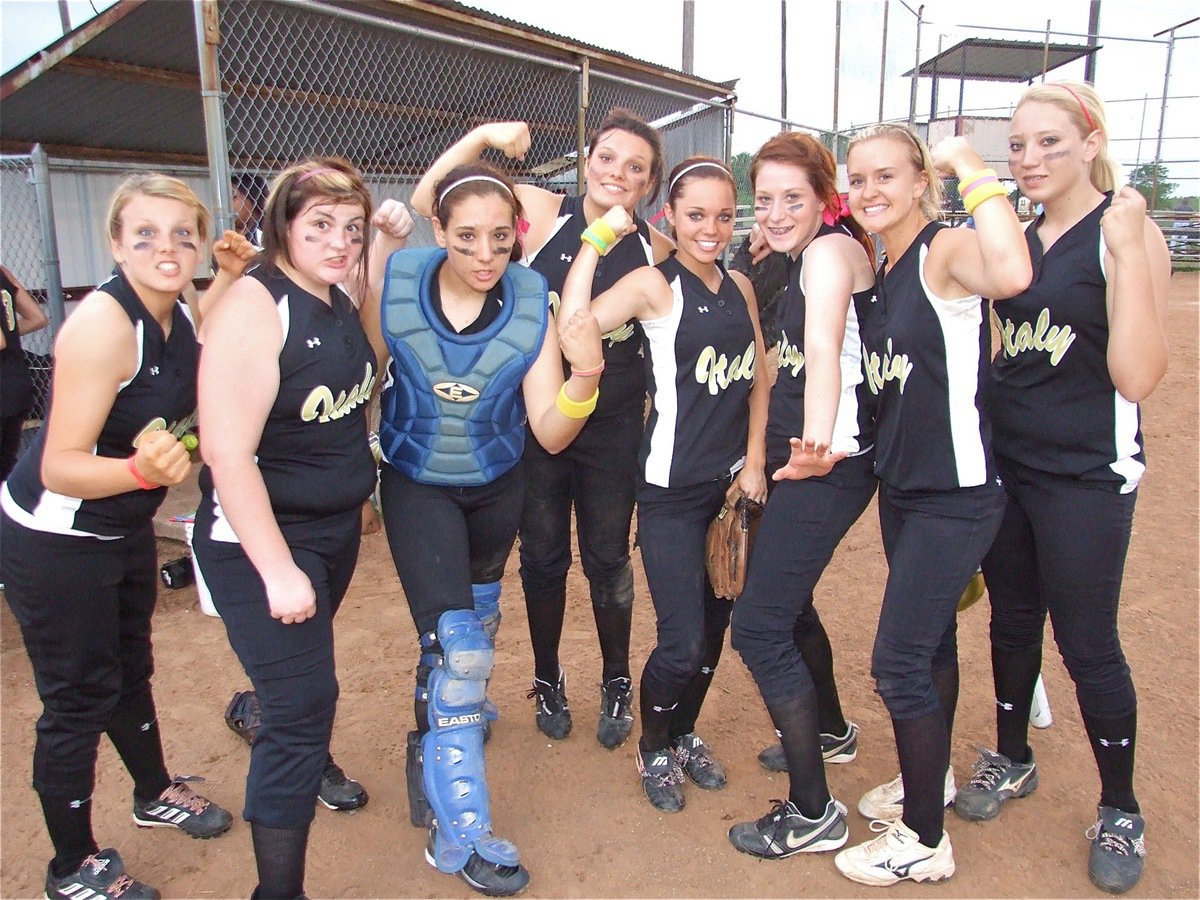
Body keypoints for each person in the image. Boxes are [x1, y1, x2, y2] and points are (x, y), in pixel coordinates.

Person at [364, 162, 604, 897]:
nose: (483, 253)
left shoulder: (530, 300)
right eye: (465, 236)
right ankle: (458, 830)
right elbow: (357, 372)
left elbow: (549, 431)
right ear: (439, 231)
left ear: (516, 238)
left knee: (476, 622)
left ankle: (434, 718)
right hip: (418, 485)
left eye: (500, 237)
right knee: (462, 654)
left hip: (499, 483)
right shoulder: (401, 283)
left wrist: (585, 379)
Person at [953, 81, 1169, 895]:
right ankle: (1012, 758)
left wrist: (1126, 246)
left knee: (1087, 644)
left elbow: (1139, 374)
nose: (1029, 158)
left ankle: (1121, 807)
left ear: (1090, 142)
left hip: (1085, 472)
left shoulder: (1124, 228)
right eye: (1017, 144)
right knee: (1012, 621)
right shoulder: (1016, 233)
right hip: (1009, 463)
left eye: (1049, 141)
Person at [1, 173, 240, 900]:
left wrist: (225, 278)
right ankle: (70, 865)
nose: (166, 248)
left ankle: (153, 791)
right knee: (78, 696)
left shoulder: (176, 310)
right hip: (59, 537)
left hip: (122, 527)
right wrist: (140, 470)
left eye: (182, 234)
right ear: (116, 244)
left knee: (129, 670)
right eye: (146, 235)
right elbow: (62, 466)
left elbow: (195, 351)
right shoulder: (103, 327)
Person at [409, 110, 672, 748]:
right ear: (588, 160)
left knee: (608, 557)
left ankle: (615, 679)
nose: (618, 173)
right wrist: (483, 138)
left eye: (635, 168)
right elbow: (428, 201)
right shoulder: (539, 208)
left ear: (648, 184)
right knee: (544, 556)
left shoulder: (654, 249)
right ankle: (548, 676)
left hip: (610, 425)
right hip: (536, 419)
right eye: (608, 157)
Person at [828, 127, 1031, 886]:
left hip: (958, 494)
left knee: (899, 660)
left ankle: (921, 839)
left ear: (920, 183)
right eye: (858, 178)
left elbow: (1011, 271)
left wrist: (971, 165)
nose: (870, 190)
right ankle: (931, 783)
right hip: (906, 488)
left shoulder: (944, 246)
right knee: (934, 644)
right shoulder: (882, 266)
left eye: (887, 175)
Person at [192, 157, 381, 899]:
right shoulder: (254, 305)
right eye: (321, 225)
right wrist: (277, 568)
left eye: (352, 229)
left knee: (292, 683)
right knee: (304, 710)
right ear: (283, 226)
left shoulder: (332, 293)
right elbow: (226, 452)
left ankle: (261, 704)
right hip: (259, 540)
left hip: (327, 532)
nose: (340, 242)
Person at [558, 157, 769, 813]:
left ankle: (682, 733)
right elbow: (576, 327)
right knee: (680, 641)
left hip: (729, 490)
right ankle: (654, 746)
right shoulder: (655, 284)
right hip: (671, 492)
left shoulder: (740, 283)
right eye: (696, 215)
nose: (711, 229)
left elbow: (760, 376)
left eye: (724, 215)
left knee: (713, 636)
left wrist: (755, 462)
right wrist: (597, 242)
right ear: (670, 217)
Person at [725, 132, 877, 858]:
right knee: (793, 602)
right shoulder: (817, 250)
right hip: (817, 456)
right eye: (768, 198)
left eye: (795, 197)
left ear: (825, 199)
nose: (778, 212)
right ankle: (831, 731)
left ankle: (814, 811)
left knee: (757, 627)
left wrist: (813, 446)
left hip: (824, 463)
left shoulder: (822, 255)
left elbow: (821, 349)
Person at [0, 264, 48, 482]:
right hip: (16, 384)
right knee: (7, 464)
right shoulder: (3, 272)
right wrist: (10, 335)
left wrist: (6, 337)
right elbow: (36, 318)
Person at [232, 172, 268, 245]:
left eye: (234, 196)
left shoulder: (269, 233)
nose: (228, 203)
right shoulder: (225, 233)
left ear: (253, 198)